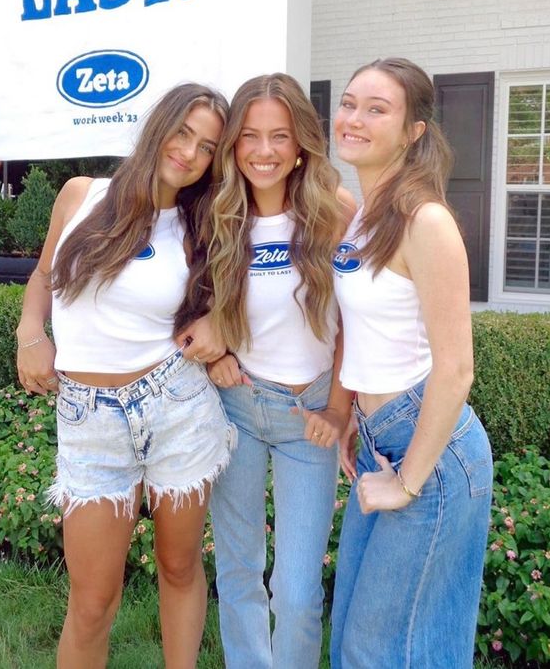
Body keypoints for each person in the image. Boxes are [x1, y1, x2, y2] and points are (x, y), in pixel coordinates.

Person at [15, 83, 236, 669]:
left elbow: (239, 297)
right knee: (91, 602)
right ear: (158, 124)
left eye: (208, 147)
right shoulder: (81, 195)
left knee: (179, 567)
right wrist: (30, 335)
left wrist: (220, 325)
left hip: (175, 407)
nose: (189, 153)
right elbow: (42, 278)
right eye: (183, 132)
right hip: (89, 420)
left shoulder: (203, 223)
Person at [329, 58, 493, 669]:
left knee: (381, 649)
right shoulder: (366, 216)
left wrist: (408, 480)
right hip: (379, 437)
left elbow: (456, 369)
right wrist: (353, 417)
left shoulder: (427, 221)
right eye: (349, 103)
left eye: (377, 109)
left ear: (414, 130)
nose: (354, 118)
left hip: (431, 453)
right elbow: (369, 331)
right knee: (355, 630)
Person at [200, 73, 355, 669]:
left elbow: (357, 322)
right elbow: (184, 302)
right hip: (237, 407)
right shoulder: (218, 216)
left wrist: (338, 409)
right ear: (234, 143)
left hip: (308, 415)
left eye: (279, 137)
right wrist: (215, 355)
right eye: (250, 136)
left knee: (294, 591)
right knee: (239, 571)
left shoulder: (335, 211)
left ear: (301, 145)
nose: (264, 151)